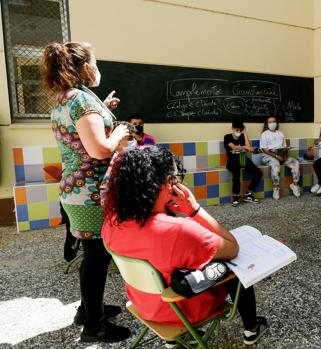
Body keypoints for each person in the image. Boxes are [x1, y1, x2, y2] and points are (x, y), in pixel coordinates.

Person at [102, 146, 268, 346]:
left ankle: (177, 339)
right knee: (237, 267)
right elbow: (233, 247)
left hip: (144, 305)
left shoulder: (112, 221)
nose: (178, 181)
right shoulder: (178, 230)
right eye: (175, 176)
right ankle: (252, 328)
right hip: (180, 311)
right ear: (162, 184)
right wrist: (194, 210)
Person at [42, 41, 131, 342]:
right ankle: (95, 326)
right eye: (95, 62)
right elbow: (100, 150)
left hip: (76, 190)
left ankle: (87, 309)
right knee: (96, 257)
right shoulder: (80, 100)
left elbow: (82, 135)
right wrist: (118, 131)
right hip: (91, 193)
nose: (97, 68)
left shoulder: (64, 98)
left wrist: (103, 108)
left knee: (92, 255)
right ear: (83, 67)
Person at [260, 116, 301, 199]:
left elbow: (284, 147)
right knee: (275, 165)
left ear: (276, 123)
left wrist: (285, 156)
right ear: (267, 124)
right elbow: (264, 150)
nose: (272, 123)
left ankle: (295, 185)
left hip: (281, 156)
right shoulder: (264, 134)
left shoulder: (281, 133)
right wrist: (276, 156)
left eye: (273, 121)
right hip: (268, 156)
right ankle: (276, 188)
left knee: (295, 163)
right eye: (270, 122)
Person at [224, 119, 263, 207]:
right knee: (236, 174)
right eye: (237, 129)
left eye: (240, 130)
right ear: (232, 128)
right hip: (232, 159)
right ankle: (236, 196)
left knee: (258, 173)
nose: (238, 132)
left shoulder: (242, 136)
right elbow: (234, 147)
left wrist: (245, 133)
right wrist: (244, 147)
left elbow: (249, 147)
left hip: (242, 158)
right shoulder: (227, 137)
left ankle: (248, 194)